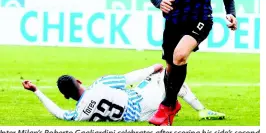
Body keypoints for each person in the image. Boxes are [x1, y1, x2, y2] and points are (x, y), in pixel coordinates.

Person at [22, 64, 225, 123]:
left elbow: (58, 113)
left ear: (67, 96)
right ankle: (201, 110)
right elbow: (128, 78)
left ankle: (168, 108)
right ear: (79, 81)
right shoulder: (100, 84)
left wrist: (37, 91)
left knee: (153, 83)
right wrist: (150, 69)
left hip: (136, 118)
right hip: (144, 103)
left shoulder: (78, 115)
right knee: (167, 73)